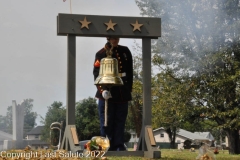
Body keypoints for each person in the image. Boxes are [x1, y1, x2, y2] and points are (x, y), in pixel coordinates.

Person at [93, 37, 133, 151]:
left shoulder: (125, 51)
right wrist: (102, 89)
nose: (115, 41)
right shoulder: (100, 54)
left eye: (117, 38)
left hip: (122, 93)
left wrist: (128, 89)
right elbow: (97, 74)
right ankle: (106, 146)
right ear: (108, 39)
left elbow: (129, 72)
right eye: (113, 39)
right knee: (107, 122)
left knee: (120, 121)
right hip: (107, 93)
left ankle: (119, 146)